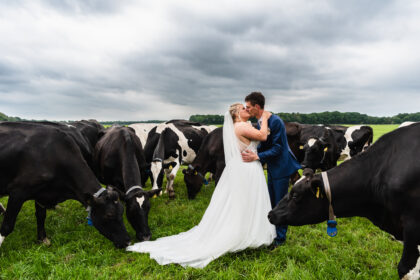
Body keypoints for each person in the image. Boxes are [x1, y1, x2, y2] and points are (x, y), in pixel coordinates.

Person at [126, 103, 276, 268]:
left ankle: (246, 231)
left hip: (244, 167)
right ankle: (243, 234)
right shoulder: (240, 126)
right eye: (243, 108)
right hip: (246, 168)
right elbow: (263, 136)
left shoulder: (239, 125)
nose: (247, 109)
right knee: (245, 201)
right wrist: (266, 118)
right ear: (236, 115)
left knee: (242, 202)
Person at [242, 92, 301, 248]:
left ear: (256, 106)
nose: (247, 110)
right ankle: (272, 233)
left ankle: (280, 239)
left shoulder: (274, 121)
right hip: (273, 168)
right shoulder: (262, 122)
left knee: (280, 203)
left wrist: (257, 156)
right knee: (272, 202)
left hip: (281, 168)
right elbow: (264, 143)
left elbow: (277, 148)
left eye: (248, 107)